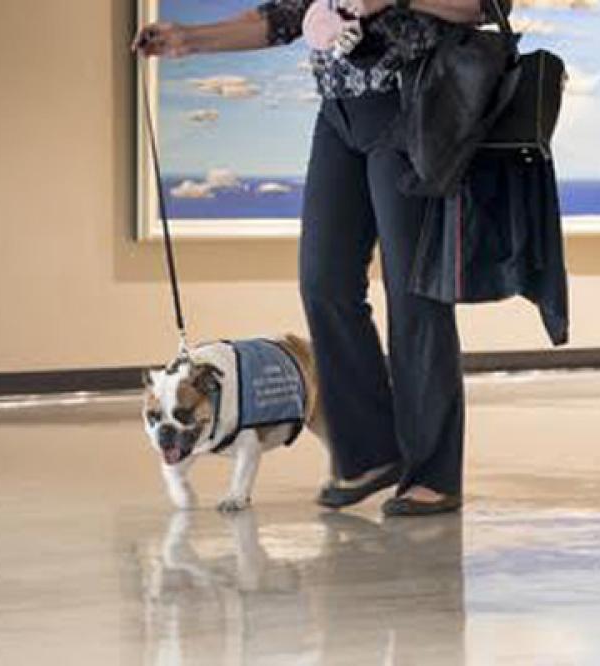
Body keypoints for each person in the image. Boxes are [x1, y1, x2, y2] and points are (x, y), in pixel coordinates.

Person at [133, 0, 511, 516]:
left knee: (413, 291)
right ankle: (372, 452)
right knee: (323, 281)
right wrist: (190, 40)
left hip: (413, 106)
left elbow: (486, 6)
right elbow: (282, 18)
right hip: (338, 116)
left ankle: (434, 475)